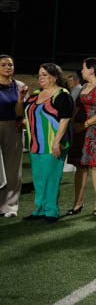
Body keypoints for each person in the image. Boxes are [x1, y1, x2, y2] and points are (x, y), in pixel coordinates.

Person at [16, 64, 74, 223]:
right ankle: (40, 209)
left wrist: (56, 142)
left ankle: (51, 211)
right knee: (39, 179)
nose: (40, 77)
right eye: (39, 75)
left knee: (51, 178)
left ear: (55, 76)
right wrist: (21, 99)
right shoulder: (35, 94)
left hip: (53, 144)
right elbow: (21, 113)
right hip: (35, 143)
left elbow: (65, 119)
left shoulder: (62, 95)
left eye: (45, 74)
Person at [67, 57, 96, 216]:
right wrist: (73, 123)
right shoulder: (84, 86)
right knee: (80, 166)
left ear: (92, 69)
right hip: (81, 130)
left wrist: (84, 125)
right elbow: (77, 107)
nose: (81, 71)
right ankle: (77, 203)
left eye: (83, 68)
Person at [0, 54, 26, 218]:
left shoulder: (20, 85)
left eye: (10, 65)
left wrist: (21, 118)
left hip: (13, 127)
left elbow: (22, 110)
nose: (8, 67)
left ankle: (9, 207)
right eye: (3, 65)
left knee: (13, 168)